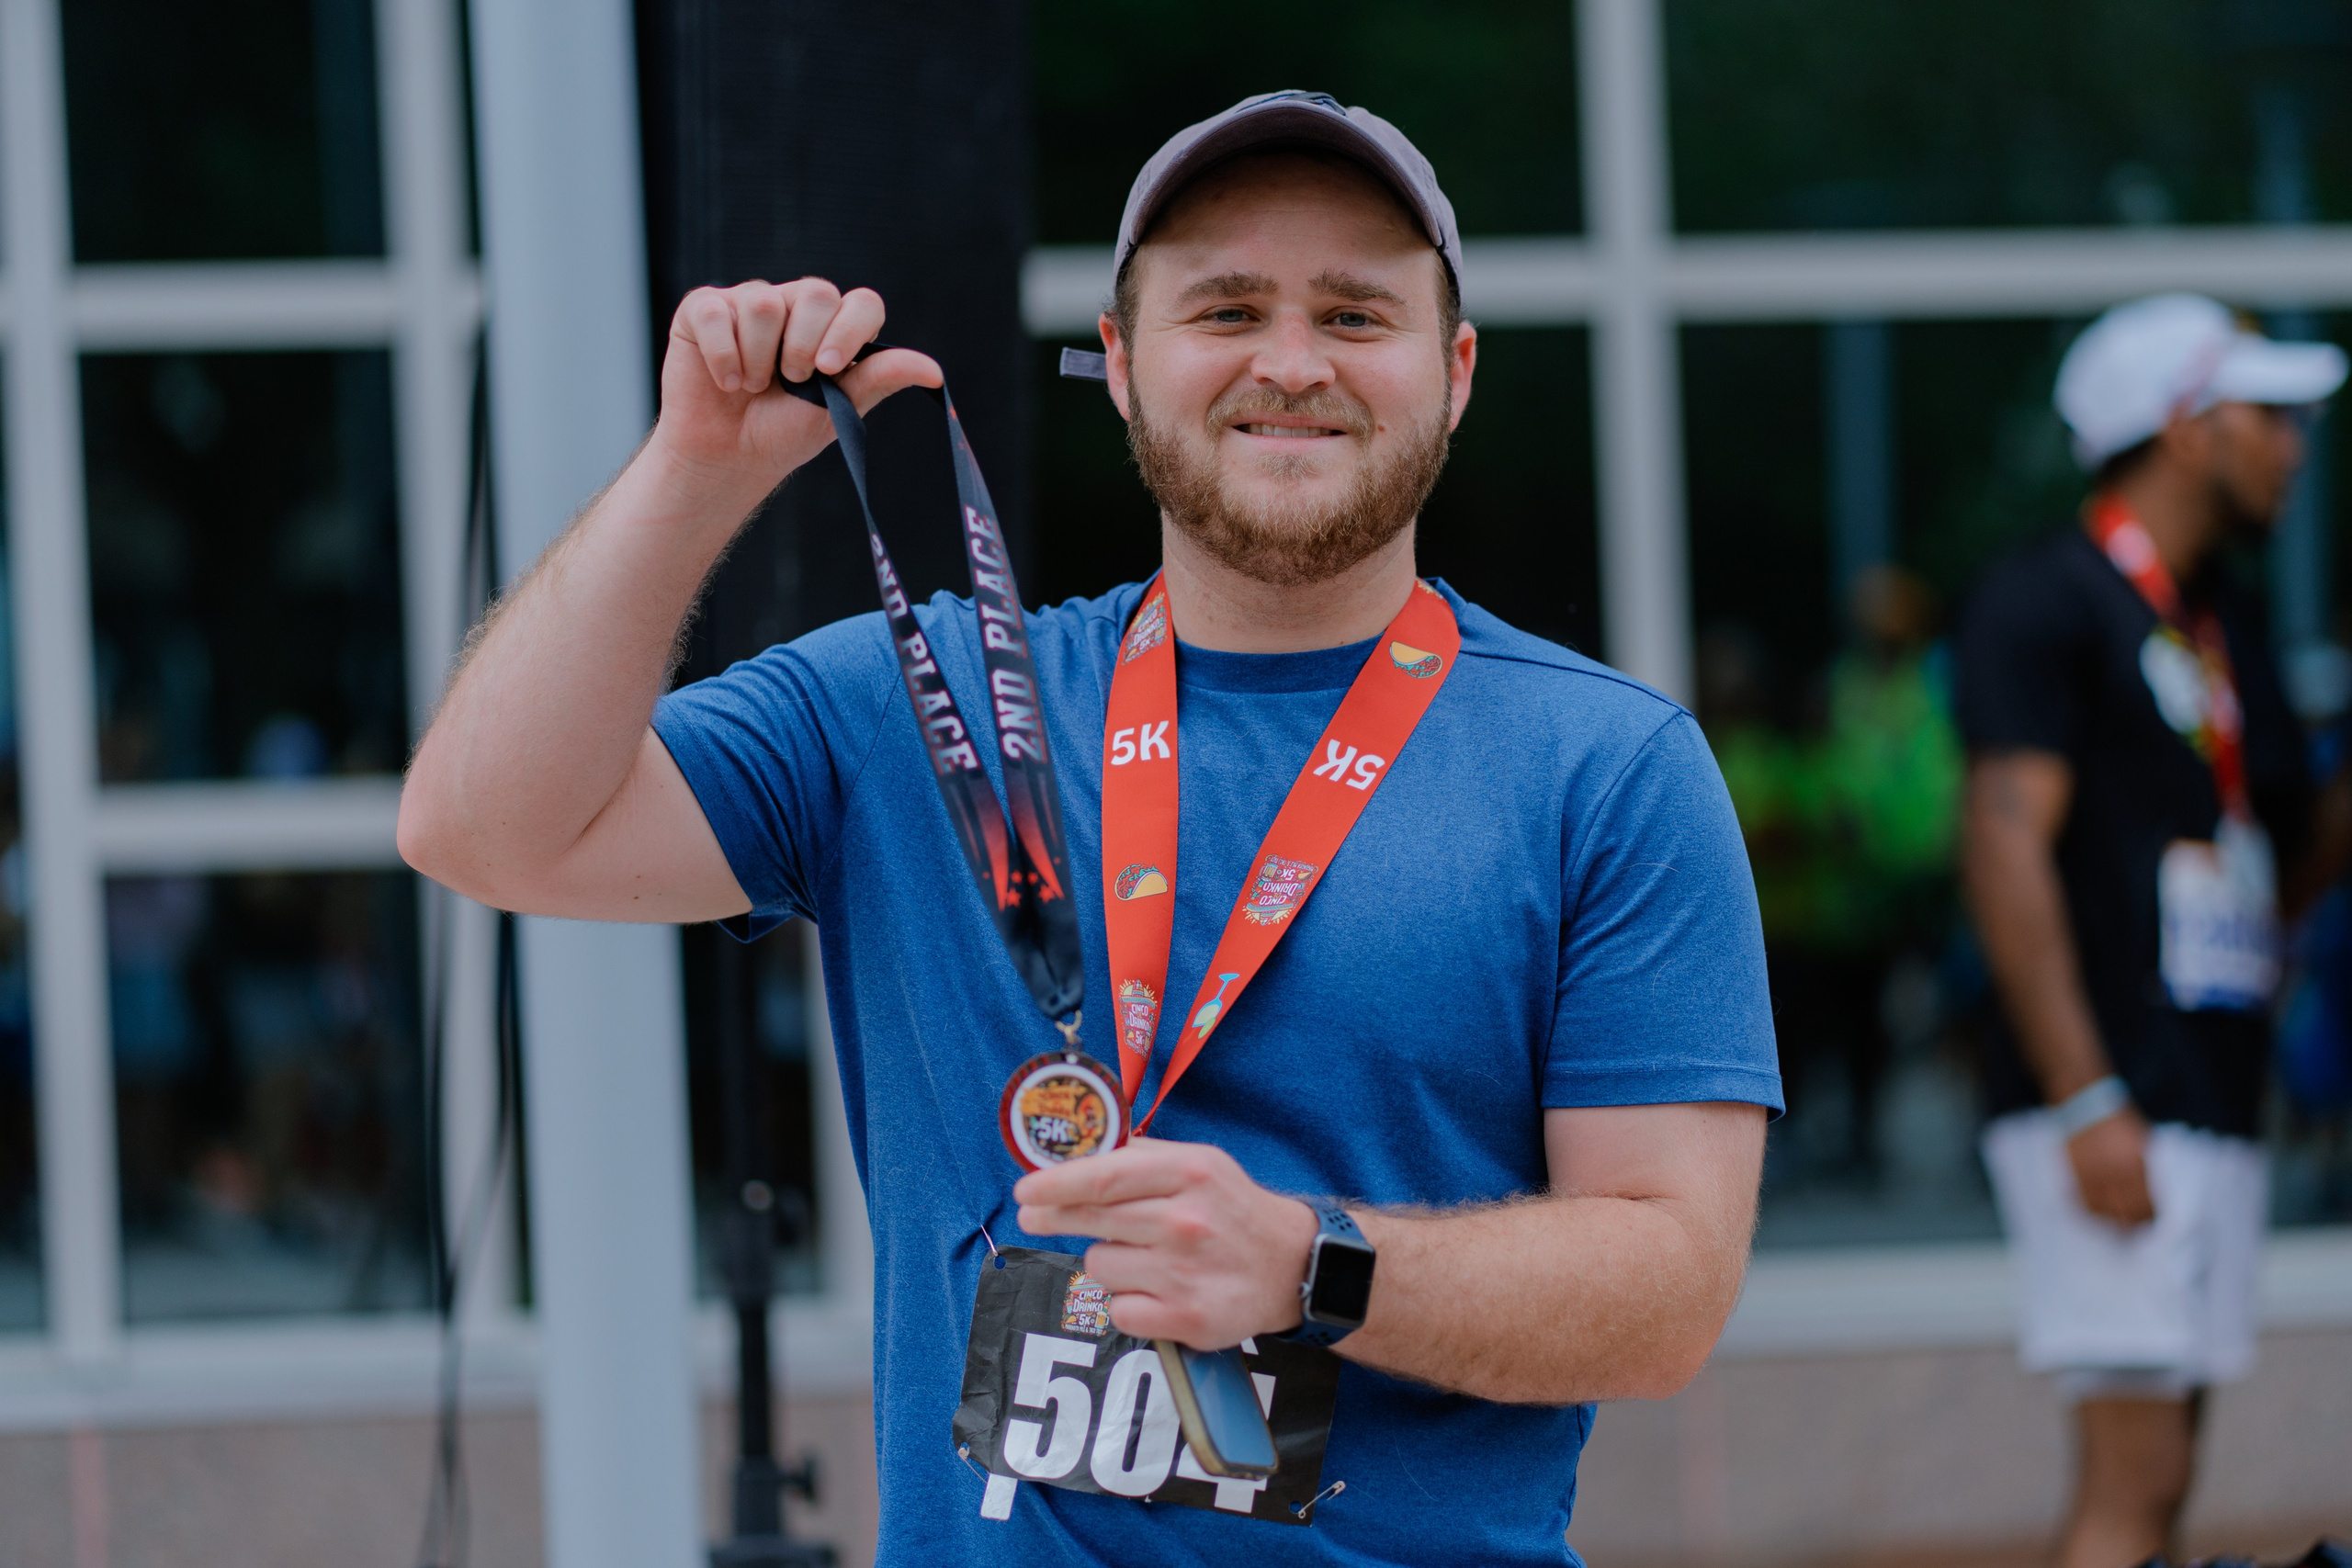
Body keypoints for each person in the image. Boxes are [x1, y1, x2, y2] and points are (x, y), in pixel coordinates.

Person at [400, 90, 1780, 1563]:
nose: (1293, 362)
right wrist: (691, 477)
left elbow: (1670, 1288)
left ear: (1453, 373)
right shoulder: (913, 703)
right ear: (1121, 366)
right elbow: (486, 829)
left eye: (1357, 315)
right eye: (1227, 308)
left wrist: (1314, 1265)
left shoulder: (1608, 767)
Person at [1955, 293, 2348, 1568]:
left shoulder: (2220, 619)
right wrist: (2084, 1100)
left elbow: (2283, 862)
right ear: (2185, 428)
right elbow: (2002, 840)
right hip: (2112, 1099)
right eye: (2268, 416)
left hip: (2206, 1089)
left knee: (2171, 1477)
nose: (2294, 445)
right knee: (2139, 1480)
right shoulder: (2045, 596)